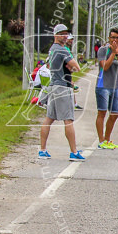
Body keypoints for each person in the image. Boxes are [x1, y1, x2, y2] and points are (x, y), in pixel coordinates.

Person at [39, 24, 84, 160]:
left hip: (53, 85)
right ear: (56, 35)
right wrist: (71, 66)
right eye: (62, 34)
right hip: (63, 87)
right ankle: (74, 152)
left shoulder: (52, 49)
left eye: (66, 33)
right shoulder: (63, 50)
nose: (65, 36)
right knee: (68, 119)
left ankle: (42, 150)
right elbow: (77, 67)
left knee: (49, 118)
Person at [96, 28, 118, 149]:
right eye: (113, 37)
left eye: (117, 38)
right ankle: (101, 141)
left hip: (115, 87)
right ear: (109, 38)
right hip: (102, 85)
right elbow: (105, 67)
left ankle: (107, 139)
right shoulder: (103, 50)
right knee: (102, 112)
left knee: (114, 114)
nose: (115, 40)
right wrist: (113, 53)